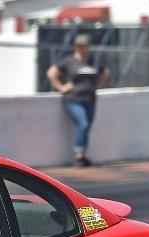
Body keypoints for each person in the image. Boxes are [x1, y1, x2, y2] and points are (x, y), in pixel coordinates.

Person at [47, 34, 110, 167]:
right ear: (76, 47)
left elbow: (105, 72)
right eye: (80, 46)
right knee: (83, 124)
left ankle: (83, 156)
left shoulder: (94, 60)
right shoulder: (69, 61)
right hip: (73, 99)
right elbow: (51, 72)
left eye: (85, 46)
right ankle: (79, 157)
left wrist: (98, 85)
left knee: (86, 127)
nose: (83, 49)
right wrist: (61, 87)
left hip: (90, 99)